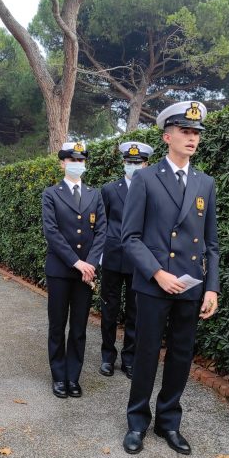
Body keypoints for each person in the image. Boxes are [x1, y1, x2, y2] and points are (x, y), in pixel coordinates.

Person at [121, 101, 220, 456]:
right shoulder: (146, 178)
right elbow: (129, 237)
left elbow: (211, 243)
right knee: (146, 354)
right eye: (185, 132)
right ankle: (136, 423)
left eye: (196, 133)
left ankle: (169, 422)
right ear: (167, 136)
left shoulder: (205, 183)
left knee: (180, 356)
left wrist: (212, 287)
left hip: (190, 286)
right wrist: (158, 273)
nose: (192, 138)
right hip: (154, 284)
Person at [42, 141, 106, 399]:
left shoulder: (94, 194)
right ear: (62, 163)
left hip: (87, 272)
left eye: (81, 160)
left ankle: (73, 376)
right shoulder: (51, 194)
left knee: (79, 327)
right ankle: (59, 376)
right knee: (57, 325)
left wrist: (90, 262)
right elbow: (52, 232)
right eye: (72, 160)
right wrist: (76, 262)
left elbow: (102, 230)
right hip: (60, 270)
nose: (77, 164)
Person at [99, 141, 153, 379]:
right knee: (109, 309)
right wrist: (99, 254)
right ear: (123, 163)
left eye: (138, 163)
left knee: (135, 311)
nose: (133, 166)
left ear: (146, 164)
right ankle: (107, 357)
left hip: (138, 260)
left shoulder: (151, 189)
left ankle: (129, 359)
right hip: (112, 256)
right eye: (129, 162)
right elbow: (102, 223)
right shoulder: (110, 189)